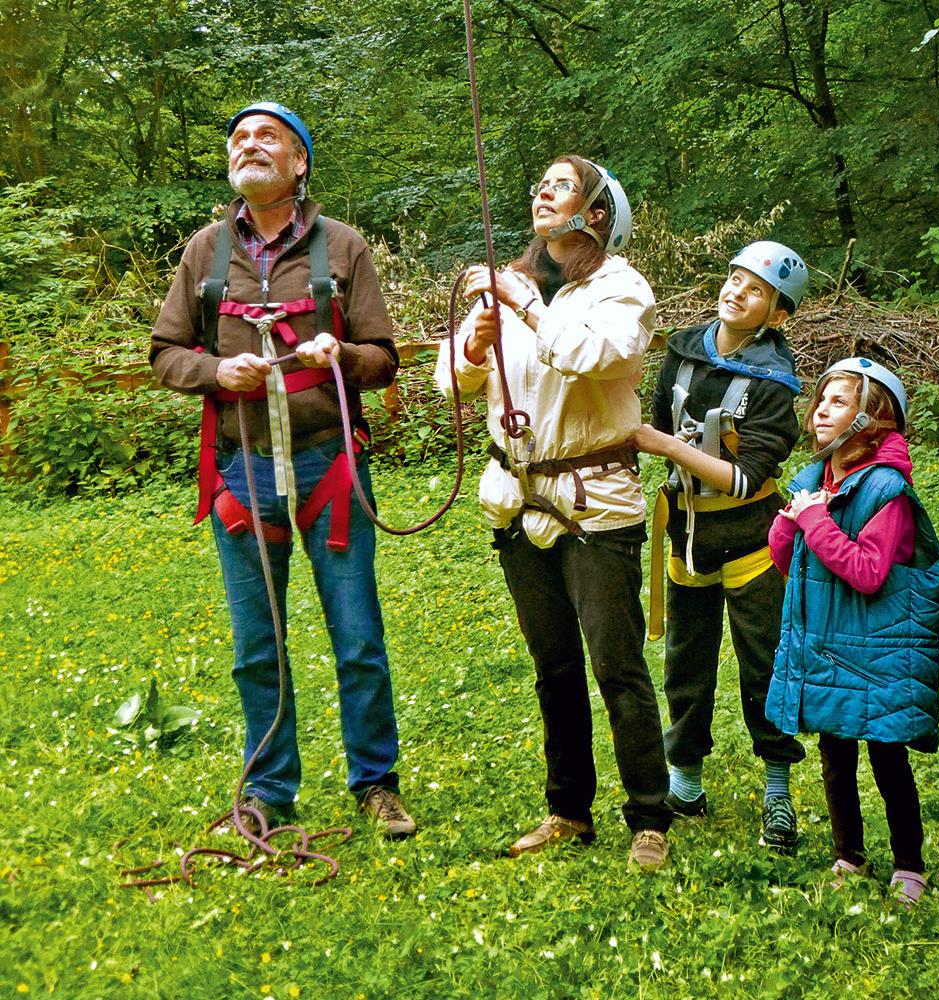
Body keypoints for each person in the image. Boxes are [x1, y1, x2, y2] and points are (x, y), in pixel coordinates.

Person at [149, 101, 415, 838]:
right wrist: (211, 371)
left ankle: (377, 784)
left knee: (357, 636)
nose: (250, 146)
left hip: (331, 468)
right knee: (255, 645)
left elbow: (384, 360)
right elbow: (165, 350)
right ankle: (268, 791)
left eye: (268, 137)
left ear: (299, 162)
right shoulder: (205, 252)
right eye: (239, 138)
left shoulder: (343, 248)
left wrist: (343, 356)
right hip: (242, 473)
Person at [435, 155, 673, 872]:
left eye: (560, 184)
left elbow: (594, 355)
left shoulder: (621, 289)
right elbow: (450, 381)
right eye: (538, 182)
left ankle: (649, 817)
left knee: (616, 664)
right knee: (554, 668)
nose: (541, 191)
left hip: (595, 506)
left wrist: (525, 307)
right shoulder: (517, 288)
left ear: (594, 213)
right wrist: (474, 349)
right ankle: (569, 809)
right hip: (519, 500)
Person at [634, 241, 809, 852]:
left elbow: (745, 476)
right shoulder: (682, 352)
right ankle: (684, 779)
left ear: (777, 314)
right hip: (686, 534)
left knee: (764, 662)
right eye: (734, 278)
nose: (736, 290)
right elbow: (655, 424)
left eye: (755, 288)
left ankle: (778, 788)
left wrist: (665, 447)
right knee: (686, 660)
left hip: (751, 540)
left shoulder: (774, 385)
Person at [764, 359, 939, 907]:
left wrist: (815, 520)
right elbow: (787, 560)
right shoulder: (811, 479)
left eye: (839, 401)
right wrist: (790, 522)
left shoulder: (886, 490)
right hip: (827, 641)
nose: (821, 409)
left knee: (888, 758)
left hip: (880, 649)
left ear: (873, 419)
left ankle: (909, 864)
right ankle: (848, 855)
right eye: (821, 398)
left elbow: (868, 573)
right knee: (835, 750)